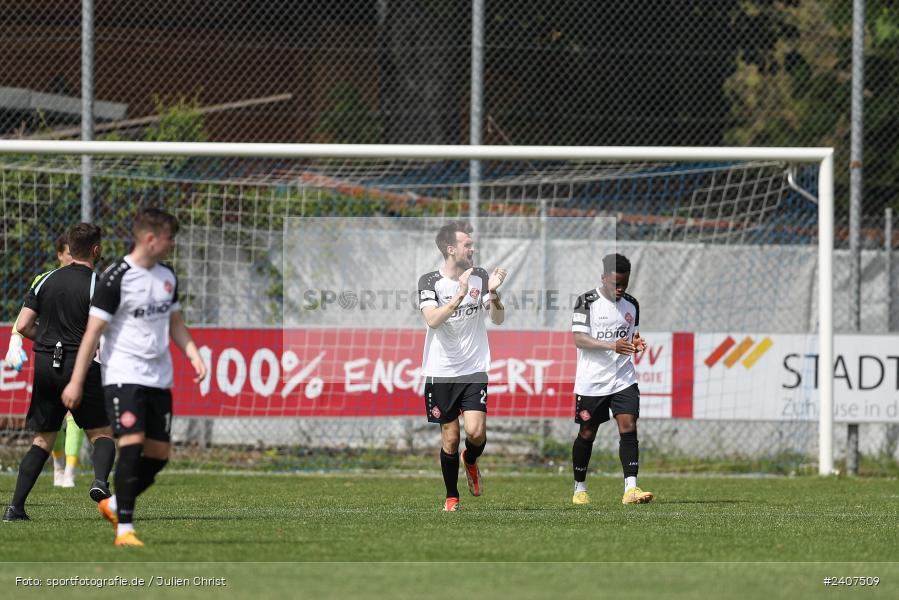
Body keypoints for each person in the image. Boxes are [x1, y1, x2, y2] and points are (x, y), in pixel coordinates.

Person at [62, 208, 207, 547]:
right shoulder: (116, 277)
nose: (173, 244)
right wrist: (76, 381)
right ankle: (124, 529)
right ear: (150, 239)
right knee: (130, 446)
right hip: (123, 374)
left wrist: (194, 353)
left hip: (159, 376)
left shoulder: (167, 275)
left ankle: (113, 504)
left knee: (158, 455)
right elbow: (93, 332)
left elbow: (175, 323)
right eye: (170, 239)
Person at [3, 224, 117, 522]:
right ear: (96, 250)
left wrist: (47, 339)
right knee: (102, 432)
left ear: (70, 248)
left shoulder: (45, 280)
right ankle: (100, 483)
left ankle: (15, 508)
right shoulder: (97, 283)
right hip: (79, 365)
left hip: (44, 365)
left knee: (42, 439)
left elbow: (24, 324)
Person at [417, 221, 507, 512]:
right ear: (450, 249)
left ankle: (471, 461)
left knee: (476, 432)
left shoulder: (479, 276)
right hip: (441, 370)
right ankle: (452, 496)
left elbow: (497, 319)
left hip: (474, 368)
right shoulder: (429, 281)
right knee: (450, 437)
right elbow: (432, 319)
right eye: (467, 244)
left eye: (472, 244)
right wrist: (460, 293)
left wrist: (492, 293)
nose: (473, 248)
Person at [569, 253, 653, 505]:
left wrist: (635, 342)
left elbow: (630, 334)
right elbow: (579, 339)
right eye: (614, 283)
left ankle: (631, 489)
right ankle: (579, 488)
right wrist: (611, 345)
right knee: (587, 433)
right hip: (592, 381)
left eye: (623, 284)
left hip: (623, 378)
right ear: (603, 277)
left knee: (628, 426)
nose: (619, 289)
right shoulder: (586, 301)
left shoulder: (631, 304)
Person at [3, 234, 85, 487]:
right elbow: (23, 320)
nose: (72, 258)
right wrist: (15, 342)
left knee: (76, 418)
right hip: (50, 357)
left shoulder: (89, 280)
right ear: (60, 254)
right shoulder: (44, 280)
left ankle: (70, 471)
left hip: (79, 355)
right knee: (52, 419)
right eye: (68, 253)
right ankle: (58, 464)